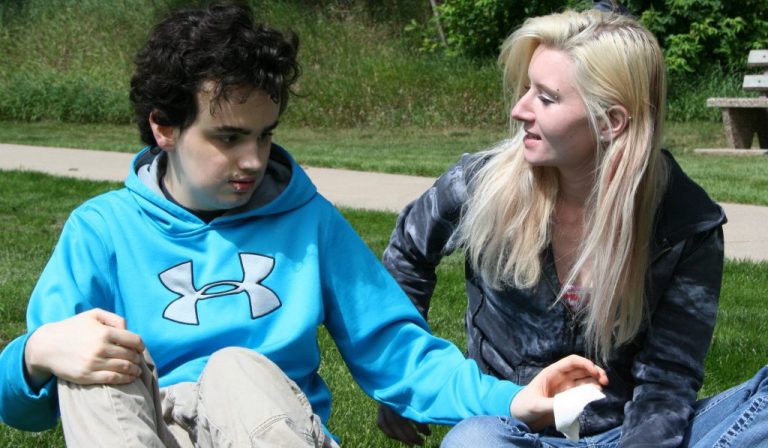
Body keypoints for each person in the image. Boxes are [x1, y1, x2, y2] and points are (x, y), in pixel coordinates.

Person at [0, 3, 609, 447]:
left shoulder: (310, 224)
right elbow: (25, 412)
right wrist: (37, 354)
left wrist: (515, 399)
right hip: (152, 429)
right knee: (93, 359)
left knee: (234, 367)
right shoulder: (101, 230)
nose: (252, 160)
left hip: (266, 427)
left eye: (264, 136)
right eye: (228, 138)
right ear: (164, 126)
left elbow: (398, 353)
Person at [377, 6, 768, 448]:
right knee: (475, 442)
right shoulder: (481, 183)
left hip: (627, 433)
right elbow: (408, 254)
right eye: (527, 88)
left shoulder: (686, 224)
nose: (519, 109)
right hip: (511, 428)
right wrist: (402, 379)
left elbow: (667, 380)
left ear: (611, 122)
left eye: (545, 97)